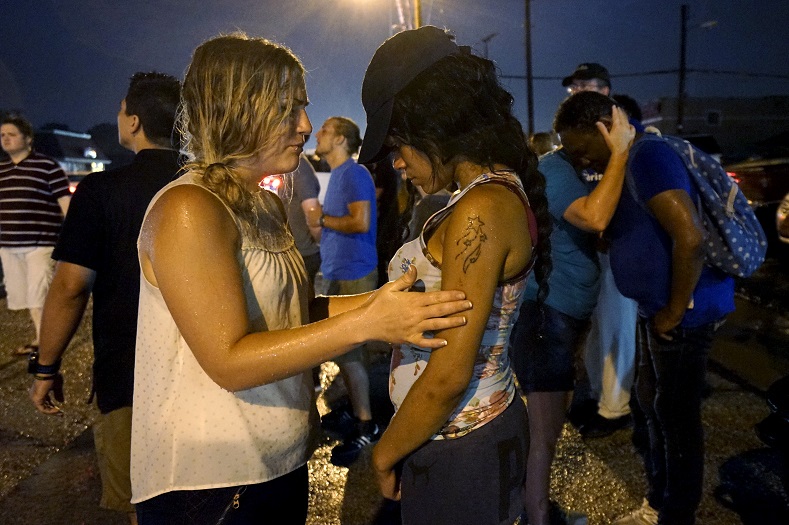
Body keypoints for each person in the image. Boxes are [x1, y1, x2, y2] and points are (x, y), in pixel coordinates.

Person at [128, 33, 471, 525]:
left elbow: (295, 314)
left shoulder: (265, 204)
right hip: (211, 481)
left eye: (302, 109)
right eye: (289, 110)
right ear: (238, 110)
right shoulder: (190, 208)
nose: (305, 126)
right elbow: (228, 362)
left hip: (277, 460)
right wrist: (367, 324)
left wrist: (392, 302)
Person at [358, 26, 553, 525]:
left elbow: (449, 375)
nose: (397, 163)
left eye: (400, 144)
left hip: (462, 446)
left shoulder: (482, 209)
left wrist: (382, 456)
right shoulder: (479, 197)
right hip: (462, 439)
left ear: (437, 125)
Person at [556, 91, 736, 525]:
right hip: (658, 307)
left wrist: (673, 313)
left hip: (682, 313)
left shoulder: (648, 157)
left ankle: (674, 513)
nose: (580, 161)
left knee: (675, 419)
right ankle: (661, 503)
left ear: (604, 128)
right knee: (654, 406)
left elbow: (689, 238)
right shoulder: (627, 165)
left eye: (581, 148)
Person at [27, 72, 182, 524]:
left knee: (144, 503)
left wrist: (47, 366)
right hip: (209, 368)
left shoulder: (100, 191)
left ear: (133, 122)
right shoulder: (211, 185)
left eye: (120, 111)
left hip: (129, 372)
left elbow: (71, 287)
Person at [509, 105, 635, 525]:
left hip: (562, 316)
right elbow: (593, 215)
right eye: (571, 143)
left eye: (580, 145)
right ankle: (538, 516)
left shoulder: (570, 169)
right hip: (547, 316)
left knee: (548, 428)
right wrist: (619, 154)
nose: (576, 153)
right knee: (543, 435)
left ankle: (535, 508)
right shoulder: (555, 169)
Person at [562, 62, 639, 439]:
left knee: (616, 329)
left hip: (616, 249)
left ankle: (616, 408)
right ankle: (599, 396)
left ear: (606, 90)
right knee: (595, 330)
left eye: (586, 85)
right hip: (588, 250)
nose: (578, 91)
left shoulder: (625, 136)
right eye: (574, 87)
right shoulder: (581, 135)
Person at [309, 116, 380, 466]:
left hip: (356, 273)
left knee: (351, 352)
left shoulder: (354, 174)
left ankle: (367, 425)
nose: (316, 134)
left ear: (339, 139)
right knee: (346, 352)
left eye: (323, 130)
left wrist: (321, 220)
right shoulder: (337, 176)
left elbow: (360, 222)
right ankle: (355, 412)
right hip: (340, 272)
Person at [0, 115, 71, 356]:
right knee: (23, 296)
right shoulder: (2, 170)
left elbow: (65, 202)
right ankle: (41, 337)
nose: (6, 139)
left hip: (41, 243)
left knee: (38, 295)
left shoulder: (47, 166)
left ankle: (47, 345)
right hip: (9, 244)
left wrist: (71, 235)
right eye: (2, 135)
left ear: (28, 139)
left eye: (12, 134)